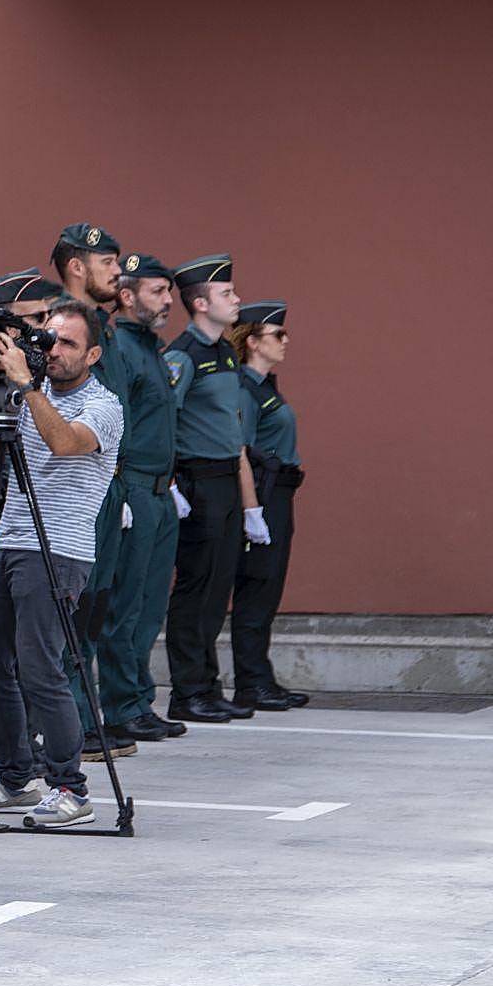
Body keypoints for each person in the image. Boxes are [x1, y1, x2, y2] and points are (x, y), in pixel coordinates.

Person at [0, 297, 124, 828]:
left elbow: (63, 442)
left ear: (93, 353)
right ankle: (14, 776)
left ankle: (70, 786)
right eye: (48, 338)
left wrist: (27, 385)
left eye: (68, 343)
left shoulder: (102, 405)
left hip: (59, 549)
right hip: (9, 538)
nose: (53, 351)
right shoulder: (31, 391)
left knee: (39, 668)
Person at [163, 254, 259, 723]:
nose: (236, 299)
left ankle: (208, 683)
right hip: (197, 479)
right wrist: (173, 483)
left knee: (218, 584)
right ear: (200, 303)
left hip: (223, 476)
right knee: (196, 587)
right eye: (226, 293)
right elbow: (166, 419)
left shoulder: (223, 350)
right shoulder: (183, 355)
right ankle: (187, 690)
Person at [99, 254, 188, 744]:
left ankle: (138, 698)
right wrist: (119, 485)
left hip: (159, 489)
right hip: (132, 485)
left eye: (169, 292)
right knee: (124, 605)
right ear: (128, 295)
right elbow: (116, 419)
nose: (168, 300)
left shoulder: (153, 349)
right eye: (158, 291)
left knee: (151, 604)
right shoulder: (122, 348)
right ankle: (119, 705)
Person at [49, 224, 129, 757]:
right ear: (77, 266)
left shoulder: (106, 328)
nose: (117, 271)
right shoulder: (61, 326)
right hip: (66, 488)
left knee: (93, 607)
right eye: (107, 261)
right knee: (66, 614)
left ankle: (85, 717)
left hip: (102, 480)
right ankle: (73, 724)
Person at [227, 300, 308, 711]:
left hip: (279, 492)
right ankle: (250, 681)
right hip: (263, 493)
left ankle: (260, 676)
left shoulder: (263, 386)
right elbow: (240, 449)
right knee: (257, 587)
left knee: (269, 586)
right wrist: (251, 509)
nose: (286, 341)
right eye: (278, 334)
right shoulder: (244, 388)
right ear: (254, 341)